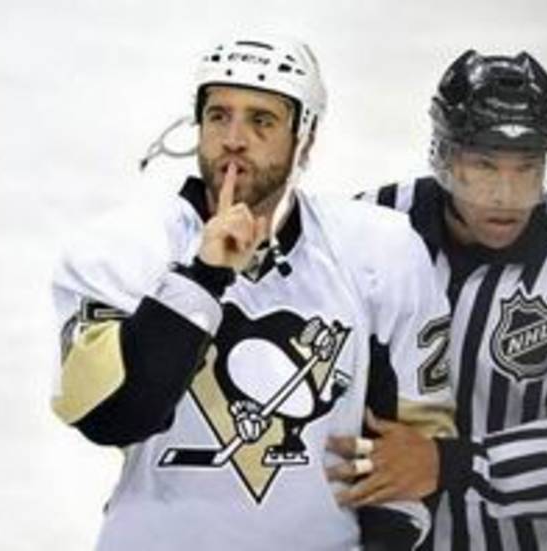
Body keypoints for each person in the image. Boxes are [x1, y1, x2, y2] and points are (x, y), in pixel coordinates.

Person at [50, 34, 456, 550]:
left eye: (261, 120)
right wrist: (203, 276)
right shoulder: (121, 248)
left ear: (305, 137)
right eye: (219, 116)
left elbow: (414, 450)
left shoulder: (379, 250)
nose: (234, 139)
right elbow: (112, 417)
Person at [328, 50, 547, 549]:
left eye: (527, 168)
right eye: (484, 165)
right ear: (444, 158)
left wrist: (452, 464)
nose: (506, 195)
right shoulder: (369, 225)